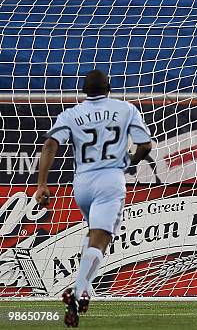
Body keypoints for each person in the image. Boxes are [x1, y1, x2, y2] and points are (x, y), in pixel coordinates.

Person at [34, 70, 152, 327]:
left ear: (84, 90)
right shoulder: (126, 109)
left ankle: (80, 288)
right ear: (109, 87)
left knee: (92, 234)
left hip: (82, 183)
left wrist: (42, 184)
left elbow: (50, 145)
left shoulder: (71, 114)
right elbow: (145, 145)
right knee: (101, 239)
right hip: (110, 179)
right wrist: (131, 161)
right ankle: (79, 291)